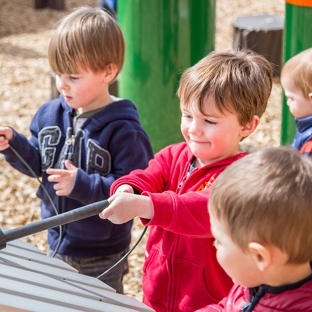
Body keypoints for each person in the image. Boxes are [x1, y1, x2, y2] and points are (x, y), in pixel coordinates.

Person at [99, 49, 273, 311]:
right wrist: (128, 187)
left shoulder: (242, 176)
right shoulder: (174, 155)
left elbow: (204, 209)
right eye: (188, 115)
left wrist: (146, 206)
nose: (194, 129)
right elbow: (147, 176)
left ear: (247, 125)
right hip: (157, 294)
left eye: (210, 121)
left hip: (208, 303)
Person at [0, 7, 153, 294]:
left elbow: (133, 191)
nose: (61, 84)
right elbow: (38, 165)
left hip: (103, 253)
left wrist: (80, 184)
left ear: (108, 71)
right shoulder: (49, 115)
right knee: (58, 301)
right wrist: (14, 145)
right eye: (57, 73)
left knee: (101, 304)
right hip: (57, 241)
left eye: (73, 76)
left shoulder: (124, 130)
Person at [198, 146, 312, 311]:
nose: (214, 245)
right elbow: (229, 306)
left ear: (260, 256)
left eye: (220, 241)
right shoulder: (255, 278)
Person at [280, 48, 312, 157]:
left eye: (291, 98)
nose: (288, 102)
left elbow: (304, 174)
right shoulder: (306, 129)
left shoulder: (310, 144)